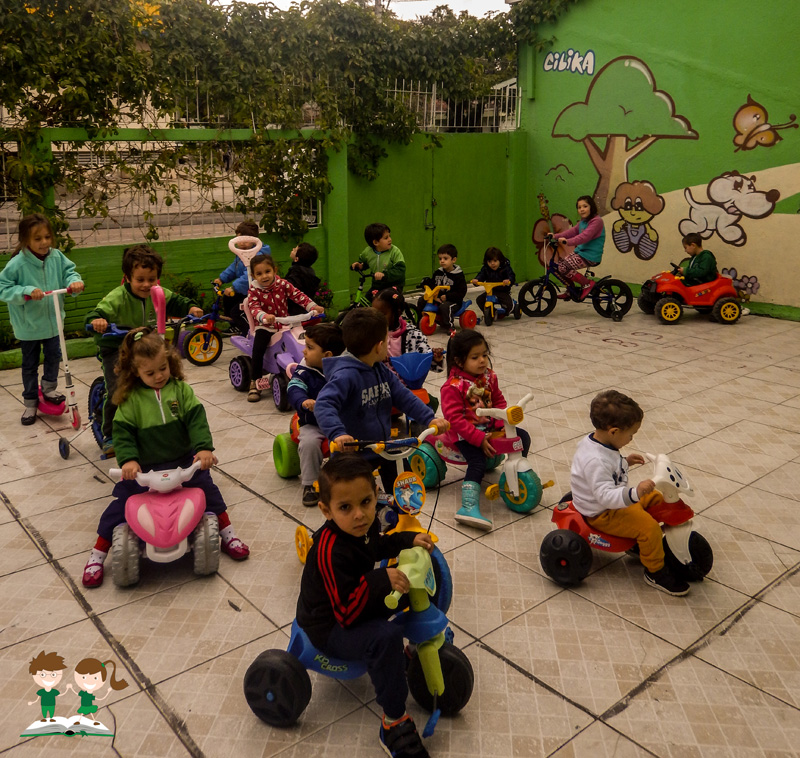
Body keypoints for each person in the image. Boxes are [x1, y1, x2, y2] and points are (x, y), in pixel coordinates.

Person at [81, 328, 249, 588]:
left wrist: (204, 448)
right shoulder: (130, 400)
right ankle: (98, 555)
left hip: (183, 461)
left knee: (210, 493)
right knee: (119, 506)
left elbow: (196, 420)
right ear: (135, 372)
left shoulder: (181, 391)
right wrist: (128, 461)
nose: (159, 376)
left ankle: (228, 535)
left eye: (163, 368)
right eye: (150, 373)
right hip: (144, 469)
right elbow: (122, 433)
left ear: (170, 362)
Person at [296, 454, 435, 758]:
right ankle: (393, 722)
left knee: (409, 588)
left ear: (375, 496)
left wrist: (408, 539)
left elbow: (377, 546)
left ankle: (413, 651)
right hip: (329, 625)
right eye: (345, 507)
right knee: (385, 637)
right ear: (326, 510)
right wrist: (379, 580)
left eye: (366, 502)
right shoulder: (330, 551)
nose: (360, 515)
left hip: (353, 600)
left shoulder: (362, 527)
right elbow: (346, 614)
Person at [314, 308, 449, 493]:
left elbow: (404, 396)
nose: (387, 344)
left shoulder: (380, 369)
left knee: (405, 486)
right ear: (379, 346)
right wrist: (338, 434)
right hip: (353, 452)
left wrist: (429, 418)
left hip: (382, 447)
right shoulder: (345, 376)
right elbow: (323, 404)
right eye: (387, 340)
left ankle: (398, 509)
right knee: (359, 496)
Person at [86, 245, 203, 456]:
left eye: (152, 279)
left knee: (166, 377)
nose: (146, 284)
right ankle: (110, 434)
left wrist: (191, 308)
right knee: (119, 388)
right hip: (116, 346)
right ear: (128, 277)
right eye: (140, 279)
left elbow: (177, 301)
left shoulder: (158, 293)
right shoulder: (118, 297)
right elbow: (97, 313)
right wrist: (98, 321)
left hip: (146, 346)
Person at [570, 390, 690, 596]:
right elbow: (605, 495)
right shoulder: (595, 460)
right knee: (649, 528)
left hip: (614, 501)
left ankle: (645, 543)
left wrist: (624, 462)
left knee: (655, 498)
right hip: (603, 512)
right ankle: (655, 572)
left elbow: (608, 468)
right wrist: (635, 493)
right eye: (631, 434)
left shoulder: (599, 442)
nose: (632, 438)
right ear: (614, 431)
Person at [440, 329, 530, 530]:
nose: (482, 360)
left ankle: (515, 473)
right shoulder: (453, 387)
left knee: (521, 437)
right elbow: (455, 419)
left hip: (490, 427)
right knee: (477, 462)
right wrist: (478, 438)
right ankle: (468, 506)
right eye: (475, 357)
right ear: (459, 361)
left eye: (484, 355)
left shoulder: (489, 377)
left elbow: (498, 400)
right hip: (465, 435)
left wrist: (502, 423)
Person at [0, 214, 84, 426]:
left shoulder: (56, 257)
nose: (44, 242)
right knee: (29, 364)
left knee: (54, 356)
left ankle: (48, 389)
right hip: (29, 326)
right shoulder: (18, 263)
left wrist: (74, 282)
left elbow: (70, 273)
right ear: (25, 240)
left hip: (53, 322)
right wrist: (26, 291)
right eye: (38, 239)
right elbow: (3, 288)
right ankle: (30, 402)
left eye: (47, 237)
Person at [245, 253, 324, 403]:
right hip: (266, 326)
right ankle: (255, 381)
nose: (264, 276)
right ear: (253, 276)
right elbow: (254, 307)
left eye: (267, 271)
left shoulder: (282, 284)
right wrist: (264, 316)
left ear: (274, 270)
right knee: (258, 348)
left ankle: (310, 370)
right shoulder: (254, 290)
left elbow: (298, 295)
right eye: (259, 274)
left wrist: (313, 306)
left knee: (303, 341)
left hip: (285, 323)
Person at [287, 321, 345, 507]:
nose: (304, 351)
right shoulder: (305, 369)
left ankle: (355, 475)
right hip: (314, 422)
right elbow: (294, 386)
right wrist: (303, 401)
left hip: (342, 422)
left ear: (327, 355)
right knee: (309, 443)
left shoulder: (344, 370)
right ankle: (310, 483)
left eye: (310, 347)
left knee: (359, 441)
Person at [214, 220, 271, 336]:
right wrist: (222, 278)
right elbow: (234, 267)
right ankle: (234, 325)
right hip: (247, 290)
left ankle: (249, 333)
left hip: (257, 291)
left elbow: (249, 275)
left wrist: (234, 287)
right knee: (228, 298)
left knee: (238, 311)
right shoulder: (242, 253)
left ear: (254, 240)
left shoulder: (257, 255)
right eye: (239, 240)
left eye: (246, 240)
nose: (242, 243)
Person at [372, 288, 444, 374]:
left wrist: (436, 358)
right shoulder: (371, 333)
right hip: (378, 381)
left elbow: (425, 360)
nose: (376, 317)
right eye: (373, 313)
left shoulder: (412, 335)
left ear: (397, 312)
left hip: (404, 381)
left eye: (382, 314)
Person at [550, 195, 605, 300]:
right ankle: (570, 290)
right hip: (581, 253)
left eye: (585, 206)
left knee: (563, 267)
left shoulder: (596, 221)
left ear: (591, 207)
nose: (582, 209)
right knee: (560, 267)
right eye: (579, 207)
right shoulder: (583, 222)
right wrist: (555, 236)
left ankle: (587, 283)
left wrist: (567, 241)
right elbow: (572, 231)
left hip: (590, 256)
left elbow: (584, 237)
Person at [417, 243, 468, 331]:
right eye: (440, 259)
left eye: (445, 258)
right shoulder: (438, 273)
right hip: (438, 299)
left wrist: (447, 296)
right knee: (422, 300)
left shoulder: (458, 275)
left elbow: (461, 291)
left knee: (445, 307)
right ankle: (419, 322)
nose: (442, 261)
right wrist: (426, 283)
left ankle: (449, 326)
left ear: (453, 260)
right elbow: (433, 284)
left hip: (453, 300)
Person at [350, 222, 406, 294]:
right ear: (376, 242)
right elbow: (365, 262)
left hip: (393, 285)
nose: (390, 239)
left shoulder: (394, 251)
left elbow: (400, 270)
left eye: (389, 236)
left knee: (385, 298)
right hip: (377, 285)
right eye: (386, 238)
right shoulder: (367, 252)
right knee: (367, 299)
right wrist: (360, 265)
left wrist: (384, 275)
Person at [471, 247, 517, 317]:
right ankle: (491, 312)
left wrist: (508, 280)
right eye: (489, 261)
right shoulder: (486, 269)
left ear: (500, 260)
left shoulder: (505, 268)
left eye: (495, 261)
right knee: (480, 300)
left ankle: (512, 308)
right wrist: (477, 280)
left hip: (502, 291)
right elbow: (481, 275)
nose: (492, 264)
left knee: (508, 305)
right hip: (490, 291)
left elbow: (511, 276)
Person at [27, 651, 67, 722]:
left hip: (51, 704)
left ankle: (51, 718)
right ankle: (45, 718)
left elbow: (60, 694)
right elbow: (38, 698)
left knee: (51, 711)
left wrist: (67, 689)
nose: (48, 679)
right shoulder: (41, 691)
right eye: (42, 675)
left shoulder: (53, 691)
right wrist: (33, 702)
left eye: (53, 675)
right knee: (44, 711)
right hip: (44, 704)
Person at [285, 242, 321, 316]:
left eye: (295, 250)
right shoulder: (310, 271)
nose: (293, 249)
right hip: (306, 308)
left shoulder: (296, 272)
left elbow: (288, 287)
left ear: (296, 259)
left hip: (295, 310)